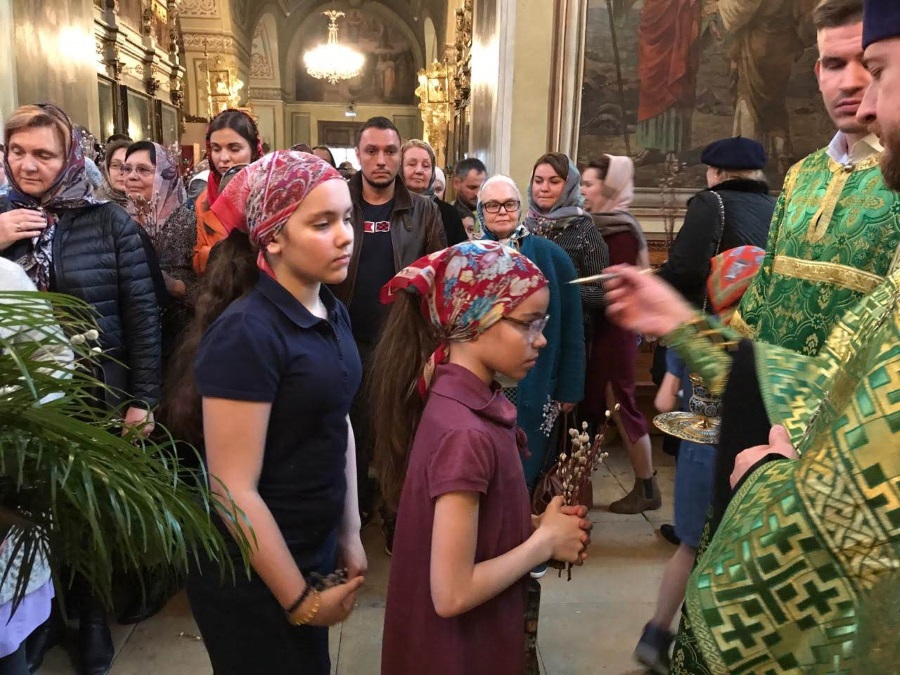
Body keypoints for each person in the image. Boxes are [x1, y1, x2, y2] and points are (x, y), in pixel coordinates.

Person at [373, 241, 592, 675]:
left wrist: (534, 525)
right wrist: (544, 544)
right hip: (458, 655)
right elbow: (452, 593)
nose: (542, 339)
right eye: (529, 324)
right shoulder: (466, 434)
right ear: (475, 321)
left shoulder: (463, 401)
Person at [185, 151, 366, 675]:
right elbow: (231, 489)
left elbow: (338, 418)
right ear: (273, 238)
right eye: (322, 224)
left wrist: (350, 531)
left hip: (309, 545)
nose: (345, 236)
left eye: (347, 218)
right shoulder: (249, 331)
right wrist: (299, 601)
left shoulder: (330, 309)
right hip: (253, 569)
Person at [0, 103, 160, 675]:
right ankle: (40, 617)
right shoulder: (1, 216)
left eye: (43, 154)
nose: (27, 165)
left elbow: (142, 316)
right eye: (17, 152)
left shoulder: (107, 220)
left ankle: (91, 616)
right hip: (17, 404)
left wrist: (143, 399)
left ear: (69, 157)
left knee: (85, 510)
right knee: (27, 513)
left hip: (95, 392)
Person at [731, 0, 900, 356]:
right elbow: (764, 294)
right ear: (819, 74)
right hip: (774, 387)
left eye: (869, 67)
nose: (850, 83)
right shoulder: (800, 175)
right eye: (835, 64)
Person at [327, 117, 445, 538]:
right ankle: (354, 513)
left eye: (390, 151)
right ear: (358, 155)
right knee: (351, 431)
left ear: (399, 155)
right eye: (372, 151)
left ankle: (398, 513)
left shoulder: (424, 210)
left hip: (402, 339)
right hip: (346, 335)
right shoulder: (339, 203)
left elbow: (438, 277)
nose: (381, 160)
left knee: (399, 432)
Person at [477, 175, 585, 488]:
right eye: (492, 205)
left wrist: (570, 388)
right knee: (486, 459)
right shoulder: (468, 257)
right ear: (480, 211)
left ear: (521, 208)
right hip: (485, 380)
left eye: (509, 204)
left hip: (536, 380)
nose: (502, 211)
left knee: (528, 463)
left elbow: (572, 326)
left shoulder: (552, 256)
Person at [0, 257, 72, 675]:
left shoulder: (5, 277)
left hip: (8, 475)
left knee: (7, 649)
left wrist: (13, 404)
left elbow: (54, 357)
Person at [579, 155, 657, 515]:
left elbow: (614, 289)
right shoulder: (601, 224)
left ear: (609, 188)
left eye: (589, 184)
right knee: (603, 406)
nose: (583, 191)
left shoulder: (619, 230)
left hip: (614, 332)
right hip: (605, 331)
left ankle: (647, 487)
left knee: (620, 408)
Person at [657, 137, 775, 310]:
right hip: (764, 312)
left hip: (721, 315)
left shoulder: (709, 202)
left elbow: (687, 269)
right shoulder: (776, 206)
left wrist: (656, 281)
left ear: (717, 173)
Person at [525, 152, 609, 326]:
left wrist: (560, 290)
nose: (544, 188)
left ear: (569, 186)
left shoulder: (584, 231)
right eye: (538, 181)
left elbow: (603, 293)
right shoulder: (525, 227)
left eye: (554, 182)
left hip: (569, 329)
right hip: (527, 328)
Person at [123, 141, 198, 318]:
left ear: (165, 176)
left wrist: (176, 286)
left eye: (143, 169)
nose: (131, 176)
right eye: (127, 169)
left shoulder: (188, 222)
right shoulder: (120, 221)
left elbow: (212, 289)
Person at [192, 109, 262, 274]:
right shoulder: (204, 200)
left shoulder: (271, 194)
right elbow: (198, 260)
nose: (223, 158)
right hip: (219, 286)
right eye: (216, 149)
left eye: (234, 149)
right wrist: (219, 254)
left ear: (253, 150)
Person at [401, 139, 468, 245]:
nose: (419, 171)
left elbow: (460, 253)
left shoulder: (448, 214)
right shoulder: (387, 208)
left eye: (426, 166)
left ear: (432, 172)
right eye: (412, 164)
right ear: (399, 168)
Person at [452, 157, 487, 234]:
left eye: (482, 188)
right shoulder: (444, 214)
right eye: (472, 187)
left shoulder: (492, 216)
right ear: (456, 183)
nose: (477, 194)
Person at [96, 138, 131, 208]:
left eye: (129, 167)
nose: (122, 172)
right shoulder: (95, 207)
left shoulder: (149, 205)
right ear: (106, 169)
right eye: (115, 165)